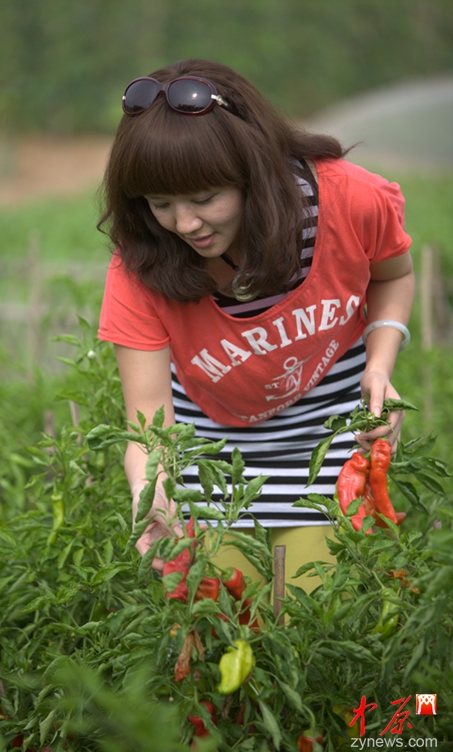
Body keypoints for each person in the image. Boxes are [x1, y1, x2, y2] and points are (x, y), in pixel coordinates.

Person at [97, 59, 414, 584]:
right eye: (161, 203)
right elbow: (150, 421)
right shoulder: (142, 263)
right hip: (211, 451)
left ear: (253, 169)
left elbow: (393, 276)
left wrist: (379, 368)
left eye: (203, 198)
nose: (185, 223)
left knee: (313, 620)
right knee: (226, 622)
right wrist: (150, 492)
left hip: (326, 433)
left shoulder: (345, 200)